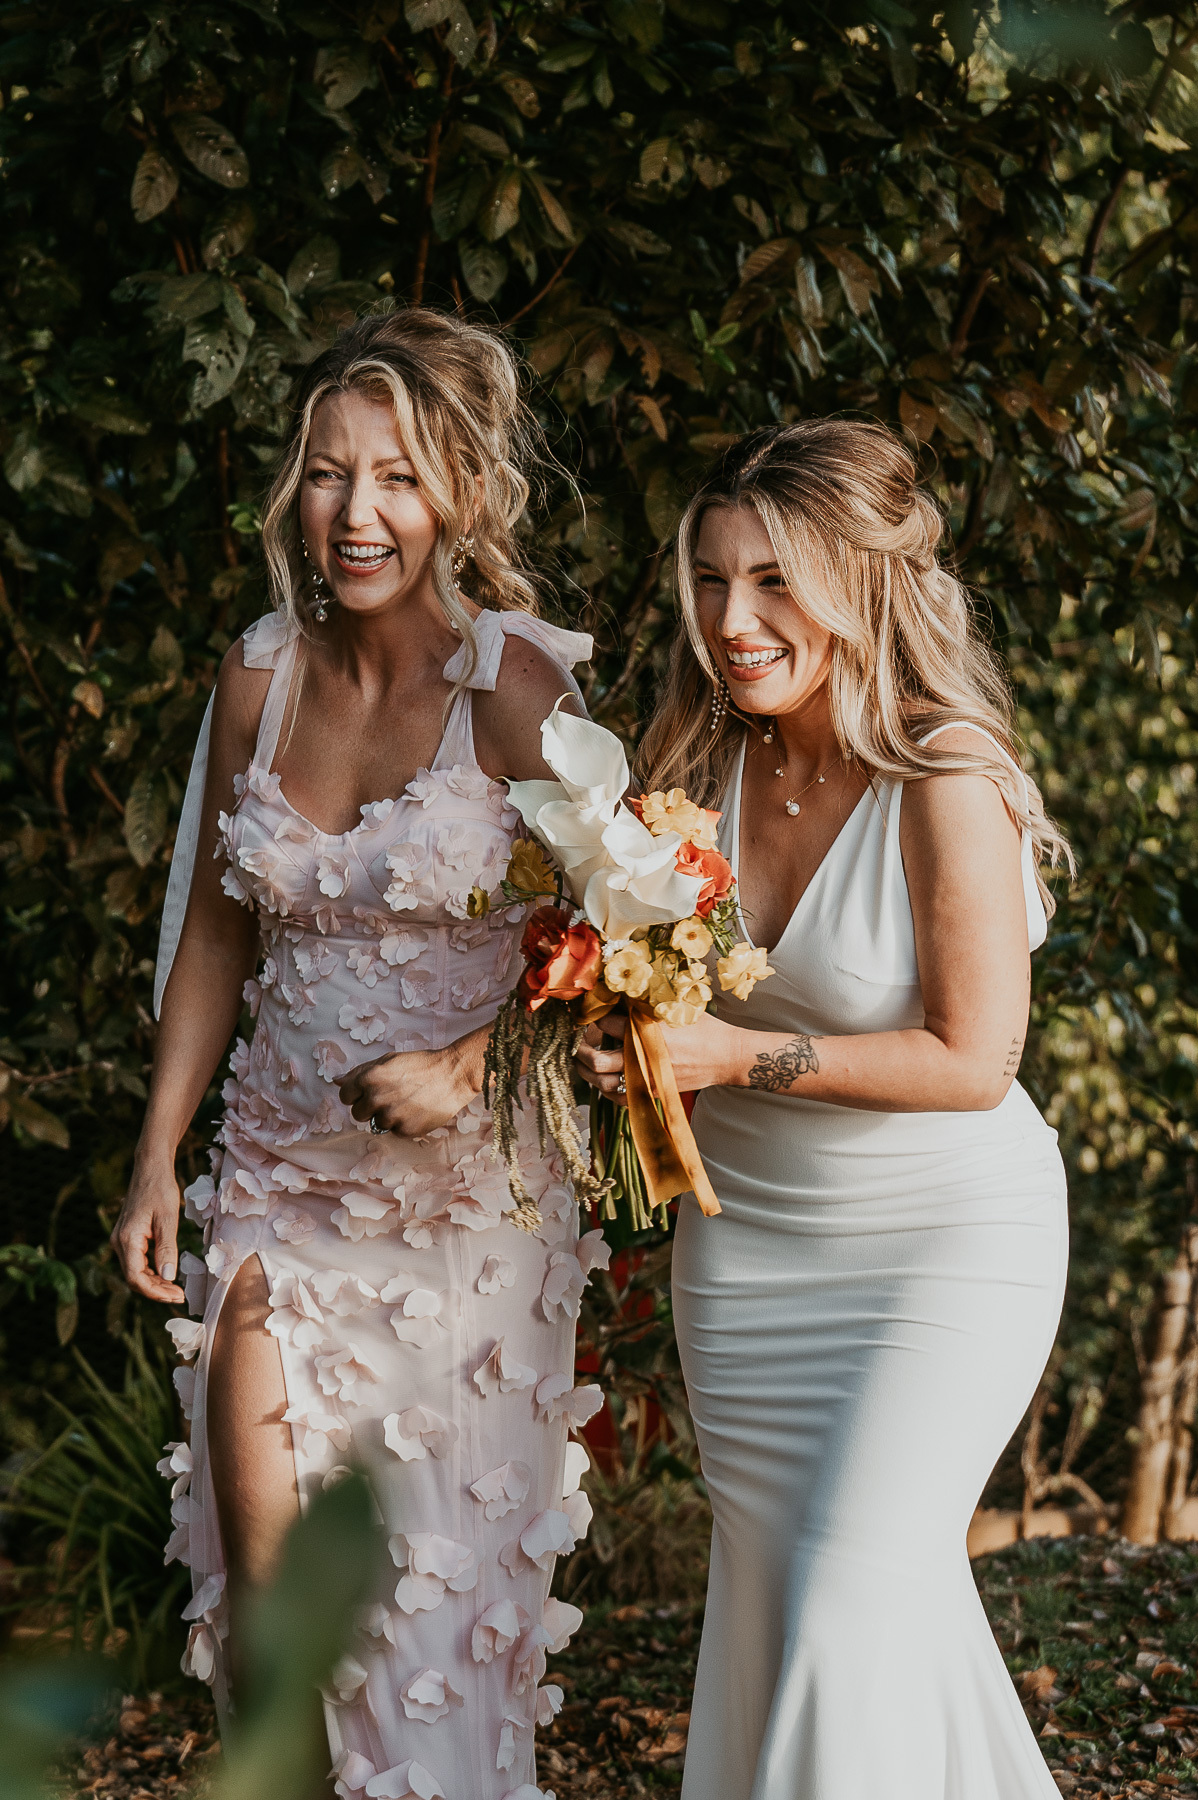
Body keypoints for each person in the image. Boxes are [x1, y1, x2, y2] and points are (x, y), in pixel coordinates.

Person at [112, 307, 604, 1800]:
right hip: (274, 1189)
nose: (356, 514)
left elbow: (634, 956)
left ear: (458, 487)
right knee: (267, 1604)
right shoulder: (257, 680)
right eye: (329, 475)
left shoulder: (519, 692)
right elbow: (213, 935)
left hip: (469, 1220)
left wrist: (469, 1058)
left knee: (427, 1611)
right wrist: (156, 1154)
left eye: (395, 477)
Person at [577, 420, 1072, 1799]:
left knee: (852, 1592)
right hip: (749, 1257)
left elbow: (975, 1058)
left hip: (940, 1247)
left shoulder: (943, 775)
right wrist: (621, 1045)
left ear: (866, 584)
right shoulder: (690, 765)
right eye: (716, 580)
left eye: (778, 582)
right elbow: (650, 999)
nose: (735, 621)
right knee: (808, 1611)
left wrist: (728, 1058)